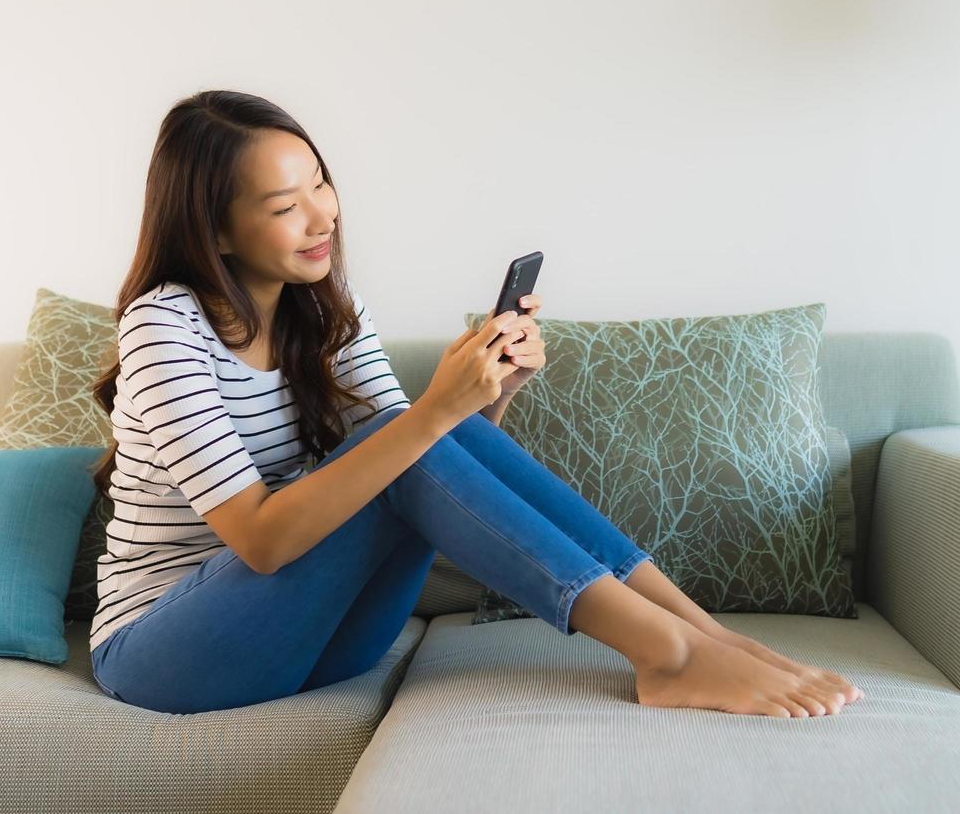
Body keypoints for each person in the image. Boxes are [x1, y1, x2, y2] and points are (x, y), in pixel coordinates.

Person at [84, 89, 865, 718]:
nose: (324, 215)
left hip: (324, 639)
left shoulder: (323, 301)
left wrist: (488, 393)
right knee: (409, 430)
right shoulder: (163, 327)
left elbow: (430, 468)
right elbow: (260, 541)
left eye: (321, 181)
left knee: (418, 439)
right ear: (216, 232)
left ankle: (704, 634)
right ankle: (671, 656)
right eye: (286, 205)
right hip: (169, 653)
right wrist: (433, 412)